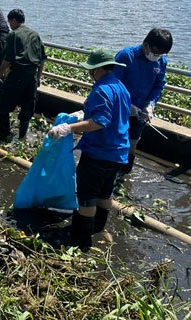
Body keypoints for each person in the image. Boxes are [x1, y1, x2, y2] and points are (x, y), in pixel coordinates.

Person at [48, 49, 130, 252]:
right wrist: (80, 115)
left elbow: (100, 121)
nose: (90, 73)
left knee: (86, 196)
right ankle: (98, 229)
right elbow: (112, 113)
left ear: (99, 69)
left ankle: (81, 240)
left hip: (99, 153)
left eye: (91, 69)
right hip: (119, 153)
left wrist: (69, 128)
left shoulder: (102, 90)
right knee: (105, 192)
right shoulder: (120, 87)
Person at [114, 28, 173, 175]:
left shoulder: (161, 61)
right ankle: (110, 174)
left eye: (162, 54)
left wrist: (150, 105)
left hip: (140, 112)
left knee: (133, 139)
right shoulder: (126, 56)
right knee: (115, 139)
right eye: (156, 52)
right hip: (120, 110)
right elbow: (112, 84)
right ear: (146, 45)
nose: (158, 56)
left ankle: (126, 171)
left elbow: (159, 84)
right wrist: (126, 105)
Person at [0, 9, 46, 142]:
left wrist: (0, 71)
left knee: (2, 106)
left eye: (10, 21)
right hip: (32, 75)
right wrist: (38, 78)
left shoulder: (14, 35)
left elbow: (8, 58)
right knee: (28, 106)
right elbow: (42, 59)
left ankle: (4, 135)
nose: (10, 25)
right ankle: (22, 135)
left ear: (14, 20)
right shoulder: (36, 35)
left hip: (17, 74)